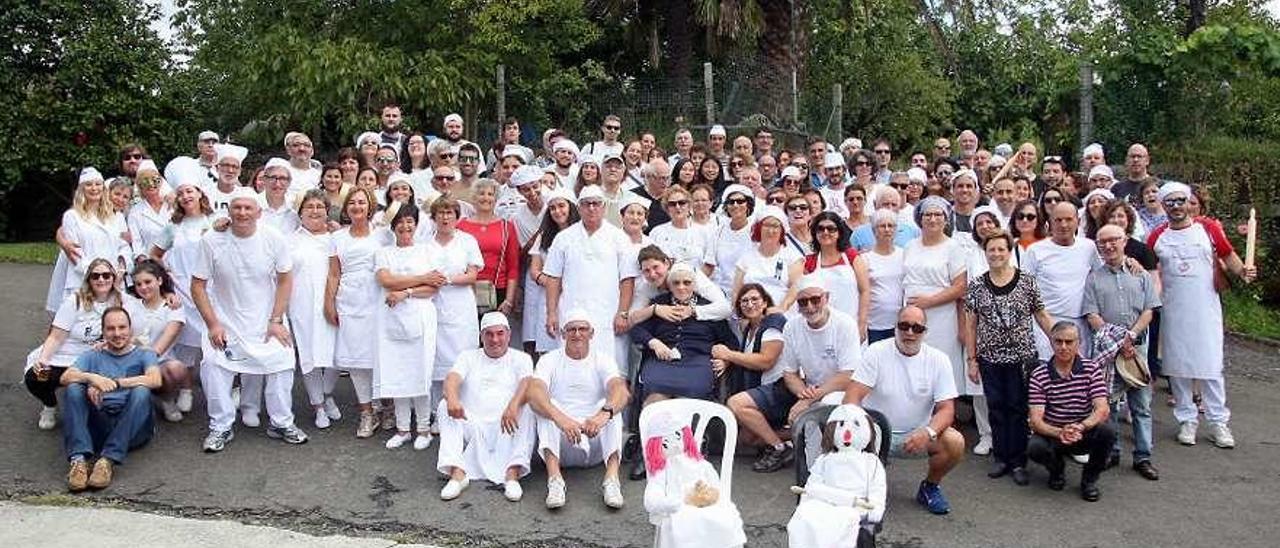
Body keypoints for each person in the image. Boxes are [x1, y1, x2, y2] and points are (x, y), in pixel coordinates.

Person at [191, 187, 307, 452]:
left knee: (282, 362)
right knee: (214, 366)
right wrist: (213, 324)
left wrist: (276, 320)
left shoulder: (274, 238)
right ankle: (220, 427)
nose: (242, 213)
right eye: (237, 207)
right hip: (225, 321)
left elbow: (285, 278)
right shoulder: (211, 240)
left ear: (258, 212)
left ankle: (281, 423)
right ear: (229, 211)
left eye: (248, 208)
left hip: (267, 320)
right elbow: (197, 285)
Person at [1148, 182, 1256, 448]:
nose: (1176, 207)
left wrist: (1243, 272)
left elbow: (1228, 255)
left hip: (1206, 309)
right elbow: (1149, 270)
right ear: (1164, 206)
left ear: (1189, 202)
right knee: (1179, 366)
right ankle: (1187, 419)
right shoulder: (1156, 236)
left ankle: (1219, 422)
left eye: (1180, 201)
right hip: (1174, 310)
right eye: (1170, 202)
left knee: (1210, 365)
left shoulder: (1208, 229)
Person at [843, 306, 965, 515]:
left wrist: (928, 432)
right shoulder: (876, 352)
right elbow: (852, 397)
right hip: (875, 432)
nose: (909, 332)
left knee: (955, 442)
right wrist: (860, 431)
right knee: (848, 429)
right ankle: (857, 485)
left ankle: (930, 487)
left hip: (917, 435)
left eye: (917, 328)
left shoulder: (939, 360)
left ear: (925, 331)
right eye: (904, 326)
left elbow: (946, 410)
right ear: (895, 327)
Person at [730, 276, 858, 473]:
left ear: (827, 298)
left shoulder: (845, 323)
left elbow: (848, 374)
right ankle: (788, 445)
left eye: (815, 300)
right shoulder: (792, 326)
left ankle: (825, 461)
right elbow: (790, 373)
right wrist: (804, 394)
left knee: (823, 407)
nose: (810, 306)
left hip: (839, 390)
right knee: (747, 435)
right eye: (803, 302)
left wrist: (808, 400)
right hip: (805, 389)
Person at [962, 230, 1055, 485]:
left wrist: (1059, 341)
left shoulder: (1027, 281)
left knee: (1017, 409)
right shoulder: (977, 286)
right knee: (997, 409)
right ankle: (1002, 458)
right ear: (985, 252)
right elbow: (970, 325)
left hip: (1021, 357)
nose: (996, 254)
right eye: (991, 249)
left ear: (1010, 251)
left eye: (1001, 249)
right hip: (990, 358)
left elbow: (1041, 315)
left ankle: (1019, 461)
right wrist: (972, 359)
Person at [628, 263, 737, 478]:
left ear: (694, 285)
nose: (681, 287)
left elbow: (730, 341)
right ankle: (649, 454)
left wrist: (726, 361)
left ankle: (691, 452)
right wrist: (654, 343)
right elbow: (636, 330)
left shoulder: (708, 307)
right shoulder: (659, 304)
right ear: (669, 285)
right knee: (655, 396)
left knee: (693, 392)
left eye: (687, 282)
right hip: (662, 360)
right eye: (676, 283)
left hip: (697, 362)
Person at [526, 309, 631, 509]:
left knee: (611, 408)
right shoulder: (549, 359)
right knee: (546, 406)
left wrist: (603, 415)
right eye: (571, 329)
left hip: (595, 439)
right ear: (563, 334)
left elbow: (620, 390)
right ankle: (555, 481)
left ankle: (612, 480)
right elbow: (534, 393)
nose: (577, 334)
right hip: (562, 440)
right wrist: (561, 419)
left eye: (582, 329)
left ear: (591, 334)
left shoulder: (603, 358)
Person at [1083, 224, 1160, 479]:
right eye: (1102, 242)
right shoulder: (1094, 277)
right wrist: (1117, 339)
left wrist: (1132, 336)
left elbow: (1150, 309)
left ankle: (1143, 456)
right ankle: (1112, 451)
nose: (1108, 245)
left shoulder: (1141, 275)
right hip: (1110, 348)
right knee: (1111, 404)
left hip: (1137, 347)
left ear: (1124, 240)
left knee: (1141, 405)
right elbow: (1092, 314)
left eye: (1113, 240)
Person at [59, 307, 163, 491]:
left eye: (122, 327)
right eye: (111, 329)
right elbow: (65, 377)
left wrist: (117, 382)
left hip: (133, 428)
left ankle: (107, 461)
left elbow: (155, 380)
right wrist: (92, 378)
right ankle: (78, 462)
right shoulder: (93, 354)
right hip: (100, 422)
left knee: (142, 391)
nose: (117, 333)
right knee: (74, 388)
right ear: (103, 331)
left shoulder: (144, 354)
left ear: (130, 329)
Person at [437, 312, 537, 502]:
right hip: (473, 424)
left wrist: (514, 405)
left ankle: (512, 474)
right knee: (444, 406)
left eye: (500, 333)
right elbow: (452, 379)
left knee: (529, 407)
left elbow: (527, 383)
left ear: (508, 334)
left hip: (507, 425)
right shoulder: (468, 357)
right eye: (489, 334)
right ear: (481, 336)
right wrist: (452, 398)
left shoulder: (522, 358)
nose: (495, 339)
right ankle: (457, 474)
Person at [903, 197, 977, 439]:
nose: (932, 219)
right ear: (920, 219)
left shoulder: (953, 248)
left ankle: (945, 421)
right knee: (915, 366)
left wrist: (928, 302)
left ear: (946, 219)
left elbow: (960, 288)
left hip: (941, 317)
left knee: (943, 368)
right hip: (912, 318)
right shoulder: (911, 246)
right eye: (927, 215)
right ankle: (918, 419)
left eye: (938, 215)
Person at [543, 185, 638, 369]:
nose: (592, 208)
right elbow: (553, 278)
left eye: (596, 203)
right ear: (578, 208)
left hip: (608, 313)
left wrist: (623, 313)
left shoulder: (619, 238)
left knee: (610, 366)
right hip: (571, 311)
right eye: (586, 204)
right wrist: (551, 313)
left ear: (604, 207)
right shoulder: (563, 238)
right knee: (570, 364)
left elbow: (627, 279)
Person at [373, 202, 443, 450]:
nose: (405, 226)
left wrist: (407, 292)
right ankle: (403, 429)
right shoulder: (384, 252)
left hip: (420, 315)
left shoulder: (427, 251)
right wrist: (422, 278)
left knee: (420, 371)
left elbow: (434, 287)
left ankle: (423, 428)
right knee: (397, 372)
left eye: (410, 221)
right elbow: (386, 280)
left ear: (416, 224)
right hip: (391, 319)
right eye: (400, 222)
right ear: (393, 226)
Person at [27, 260, 126, 430]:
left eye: (106, 275)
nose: (101, 280)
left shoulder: (121, 300)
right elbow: (56, 337)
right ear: (89, 279)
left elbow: (145, 306)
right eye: (95, 276)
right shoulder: (75, 301)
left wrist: (169, 296)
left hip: (97, 358)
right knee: (35, 378)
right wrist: (43, 359)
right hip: (67, 354)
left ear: (113, 278)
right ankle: (49, 405)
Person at [326, 187, 392, 437]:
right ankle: (367, 412)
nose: (356, 206)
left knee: (380, 355)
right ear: (345, 208)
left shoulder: (384, 236)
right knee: (356, 360)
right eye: (351, 202)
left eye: (362, 202)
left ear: (370, 206)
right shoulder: (338, 238)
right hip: (349, 299)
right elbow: (334, 273)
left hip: (377, 298)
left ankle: (387, 406)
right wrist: (329, 303)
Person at [1026, 322, 1115, 501]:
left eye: (1069, 341)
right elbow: (1036, 420)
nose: (1063, 347)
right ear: (1051, 343)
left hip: (1082, 431)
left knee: (1108, 431)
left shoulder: (1092, 369)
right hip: (1053, 432)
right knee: (1034, 447)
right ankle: (1056, 470)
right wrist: (1060, 432)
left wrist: (1081, 427)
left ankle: (1089, 480)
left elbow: (1102, 409)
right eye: (1058, 341)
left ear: (1078, 343)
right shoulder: (1039, 374)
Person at [426, 197, 484, 428]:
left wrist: (446, 279)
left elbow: (472, 275)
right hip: (433, 306)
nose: (445, 217)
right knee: (435, 360)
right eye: (440, 213)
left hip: (461, 308)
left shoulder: (467, 241)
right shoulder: (425, 243)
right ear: (433, 217)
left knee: (461, 357)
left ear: (457, 216)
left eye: (450, 212)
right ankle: (437, 413)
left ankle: (463, 408)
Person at [288, 191, 341, 429]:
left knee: (335, 354)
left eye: (320, 206)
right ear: (300, 212)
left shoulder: (337, 237)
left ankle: (328, 394)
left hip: (335, 301)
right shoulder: (290, 240)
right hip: (302, 304)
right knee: (309, 354)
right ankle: (317, 405)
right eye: (309, 206)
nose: (315, 210)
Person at [1023, 202, 1101, 360]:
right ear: (1049, 223)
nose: (1063, 225)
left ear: (1078, 221)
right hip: (1045, 325)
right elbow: (1025, 291)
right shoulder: (1035, 251)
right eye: (1058, 220)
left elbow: (1101, 276)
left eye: (1068, 219)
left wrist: (1129, 263)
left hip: (1080, 325)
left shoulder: (1089, 247)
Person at [47, 168, 131, 316]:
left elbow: (123, 246)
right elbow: (75, 253)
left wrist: (121, 269)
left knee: (112, 329)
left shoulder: (115, 217)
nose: (94, 188)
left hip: (113, 282)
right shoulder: (72, 216)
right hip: (83, 280)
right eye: (89, 184)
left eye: (98, 184)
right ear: (81, 189)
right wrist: (97, 276)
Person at [123, 260, 190, 423]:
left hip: (158, 363)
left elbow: (162, 345)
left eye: (148, 282)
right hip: (131, 360)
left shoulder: (173, 308)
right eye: (138, 284)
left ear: (159, 281)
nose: (143, 287)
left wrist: (144, 369)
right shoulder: (130, 304)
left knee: (176, 369)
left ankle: (167, 399)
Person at [525, 188, 579, 356]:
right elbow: (534, 270)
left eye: (561, 206)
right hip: (548, 299)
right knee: (549, 353)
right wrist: (551, 282)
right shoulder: (544, 236)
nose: (557, 211)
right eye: (553, 208)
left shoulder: (582, 234)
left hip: (575, 298)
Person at [457, 179, 522, 318]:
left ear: (496, 198)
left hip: (498, 290)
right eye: (481, 193)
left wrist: (509, 300)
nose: (486, 198)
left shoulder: (507, 227)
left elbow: (513, 267)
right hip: (467, 289)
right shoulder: (461, 226)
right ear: (474, 197)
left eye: (490, 194)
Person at [804, 211, 870, 340]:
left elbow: (865, 291)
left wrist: (862, 323)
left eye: (831, 229)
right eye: (820, 229)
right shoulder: (809, 262)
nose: (825, 232)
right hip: (820, 328)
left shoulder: (852, 256)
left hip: (851, 325)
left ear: (839, 232)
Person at [712, 283, 787, 397]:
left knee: (736, 404)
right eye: (745, 301)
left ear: (765, 303)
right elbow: (743, 360)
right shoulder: (748, 328)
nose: (750, 305)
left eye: (755, 299)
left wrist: (728, 354)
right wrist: (725, 361)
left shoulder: (774, 322)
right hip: (756, 389)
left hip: (775, 388)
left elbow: (766, 361)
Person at [732, 206, 803, 312]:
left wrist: (782, 307)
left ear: (782, 230)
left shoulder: (792, 257)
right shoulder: (746, 257)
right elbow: (736, 291)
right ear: (759, 228)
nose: (771, 231)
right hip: (751, 313)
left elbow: (795, 286)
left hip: (780, 313)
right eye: (766, 225)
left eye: (775, 226)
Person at [702, 184, 755, 296]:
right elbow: (709, 265)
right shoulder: (718, 231)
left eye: (740, 201)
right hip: (721, 291)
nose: (735, 205)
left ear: (748, 204)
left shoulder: (756, 230)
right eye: (731, 202)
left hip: (750, 290)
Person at [864, 210, 906, 344]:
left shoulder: (904, 255)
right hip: (875, 325)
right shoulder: (865, 258)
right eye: (882, 226)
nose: (887, 230)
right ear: (874, 230)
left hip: (901, 324)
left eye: (891, 226)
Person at [649, 186, 708, 267]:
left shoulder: (703, 232)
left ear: (689, 206)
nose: (677, 207)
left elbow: (709, 264)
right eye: (672, 204)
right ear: (667, 208)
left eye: (682, 203)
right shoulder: (657, 232)